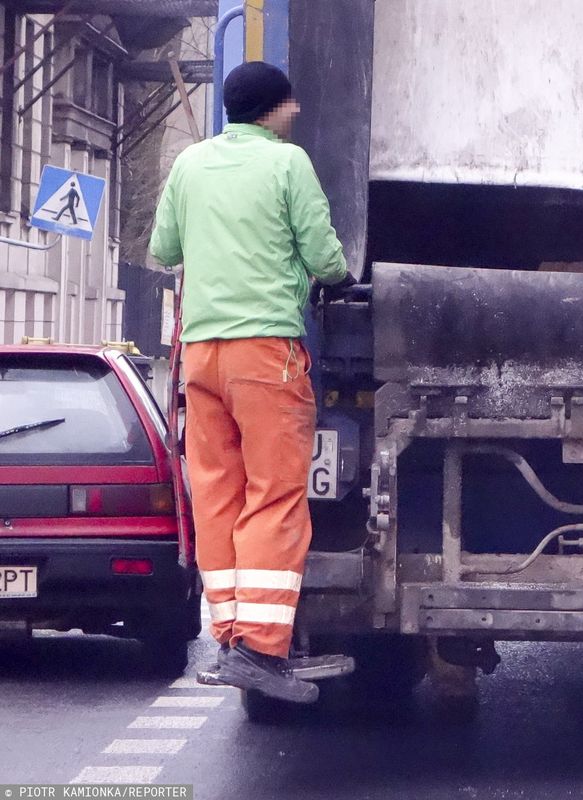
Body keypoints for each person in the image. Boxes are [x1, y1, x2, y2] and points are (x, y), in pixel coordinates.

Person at [150, 61, 354, 703]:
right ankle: (262, 652)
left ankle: (232, 636)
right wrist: (339, 274)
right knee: (275, 495)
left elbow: (163, 249)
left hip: (201, 355)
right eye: (291, 104)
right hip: (265, 354)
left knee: (217, 494)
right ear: (278, 108)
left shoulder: (189, 165)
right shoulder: (287, 163)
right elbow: (324, 256)